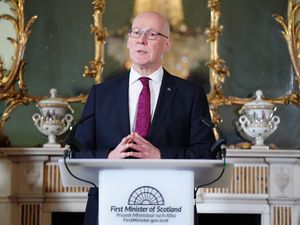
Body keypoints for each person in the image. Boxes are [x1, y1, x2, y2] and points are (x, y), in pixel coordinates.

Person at [73, 11, 216, 225]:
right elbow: (76, 152)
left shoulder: (190, 94)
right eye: (136, 33)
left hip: (170, 208)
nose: (141, 39)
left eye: (151, 34)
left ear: (167, 44)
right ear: (129, 42)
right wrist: (109, 157)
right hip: (108, 208)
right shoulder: (100, 94)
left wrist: (160, 155)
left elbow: (206, 154)